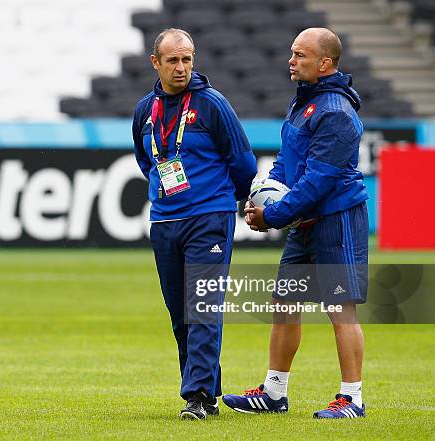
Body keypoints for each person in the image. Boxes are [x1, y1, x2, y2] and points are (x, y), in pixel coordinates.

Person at [222, 28, 369, 419]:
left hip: (335, 219)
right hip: (306, 221)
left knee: (340, 307)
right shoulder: (303, 102)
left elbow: (318, 181)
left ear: (325, 63)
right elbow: (288, 165)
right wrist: (264, 197)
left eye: (300, 55)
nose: (291, 60)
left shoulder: (335, 112)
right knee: (284, 304)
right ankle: (274, 393)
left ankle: (352, 398)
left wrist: (273, 215)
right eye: (291, 53)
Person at [132, 28, 257, 420]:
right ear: (156, 63)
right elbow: (146, 161)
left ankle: (198, 395)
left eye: (187, 59)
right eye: (173, 60)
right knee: (180, 312)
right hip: (166, 220)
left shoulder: (212, 104)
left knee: (203, 306)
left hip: (209, 218)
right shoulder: (144, 112)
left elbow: (244, 163)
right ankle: (207, 389)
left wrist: (221, 200)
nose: (182, 67)